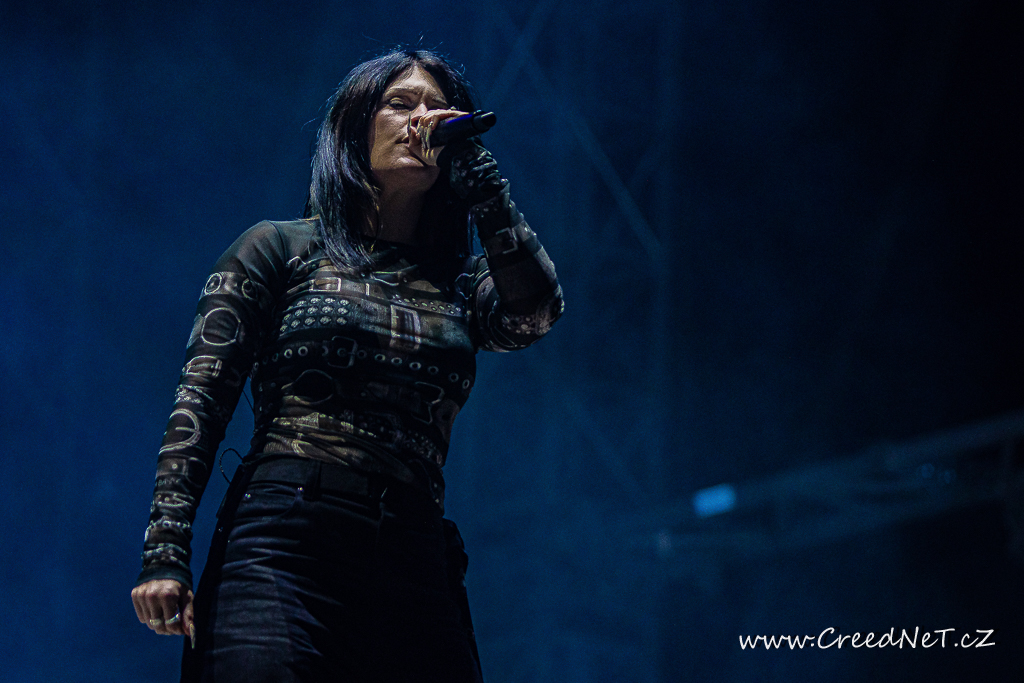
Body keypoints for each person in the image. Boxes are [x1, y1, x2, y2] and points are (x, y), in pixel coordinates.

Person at [130, 48, 563, 682]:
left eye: (438, 108)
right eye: (400, 104)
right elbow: (200, 402)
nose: (422, 118)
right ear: (355, 126)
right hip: (284, 539)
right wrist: (165, 551)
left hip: (412, 550)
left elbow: (537, 313)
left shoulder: (462, 284)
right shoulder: (279, 248)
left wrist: (480, 178)